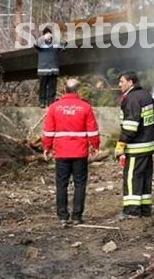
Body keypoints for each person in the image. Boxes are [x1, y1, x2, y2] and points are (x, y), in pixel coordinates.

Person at [42, 78, 100, 226]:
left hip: (61, 152)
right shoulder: (85, 107)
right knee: (80, 184)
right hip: (80, 152)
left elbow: (48, 131)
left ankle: (62, 216)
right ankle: (77, 216)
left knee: (61, 184)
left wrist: (47, 148)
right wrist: (95, 146)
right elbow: (93, 131)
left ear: (64, 89)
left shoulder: (54, 107)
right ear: (78, 90)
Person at [115, 71, 154, 219]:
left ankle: (131, 211)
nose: (119, 84)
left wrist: (121, 145)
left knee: (132, 178)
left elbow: (130, 127)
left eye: (121, 81)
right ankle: (145, 209)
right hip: (148, 146)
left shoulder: (132, 99)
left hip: (136, 147)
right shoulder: (147, 95)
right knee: (145, 178)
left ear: (130, 82)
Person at [35, 27, 65, 107]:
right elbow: (35, 44)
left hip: (53, 69)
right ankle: (42, 101)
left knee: (52, 87)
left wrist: (60, 38)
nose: (48, 36)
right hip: (43, 69)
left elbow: (64, 45)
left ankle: (51, 102)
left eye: (49, 34)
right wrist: (43, 38)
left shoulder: (55, 43)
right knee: (43, 86)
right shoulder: (40, 43)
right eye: (46, 35)